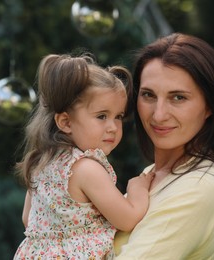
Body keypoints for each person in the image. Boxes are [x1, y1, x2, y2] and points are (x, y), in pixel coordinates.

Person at [114, 33, 214, 260]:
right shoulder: (153, 175)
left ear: (210, 105)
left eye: (178, 98)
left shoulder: (198, 188)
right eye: (148, 95)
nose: (158, 115)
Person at [13, 54, 154, 260]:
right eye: (102, 116)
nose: (113, 127)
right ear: (66, 122)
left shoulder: (41, 161)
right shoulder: (86, 168)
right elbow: (128, 218)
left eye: (119, 117)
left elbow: (29, 219)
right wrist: (138, 188)